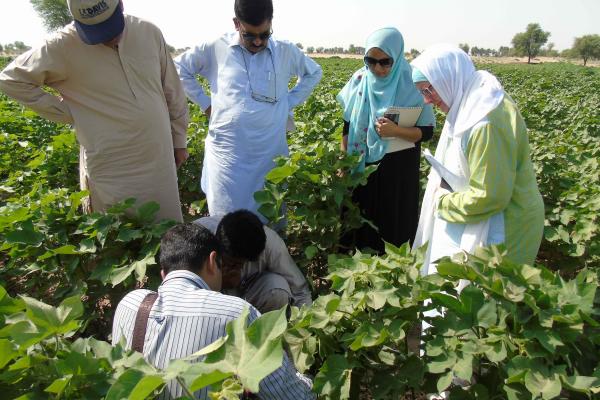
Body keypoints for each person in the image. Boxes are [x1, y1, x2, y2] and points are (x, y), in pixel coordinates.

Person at [0, 0, 189, 222]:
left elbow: (172, 90)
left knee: (165, 228)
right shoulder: (61, 45)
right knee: (117, 233)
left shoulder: (148, 32)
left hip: (158, 156)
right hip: (111, 163)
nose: (108, 37)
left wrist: (179, 139)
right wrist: (70, 112)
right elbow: (10, 80)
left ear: (120, 5)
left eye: (110, 26)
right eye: (96, 31)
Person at [112, 223, 315, 399]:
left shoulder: (129, 303)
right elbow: (289, 395)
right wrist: (308, 383)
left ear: (164, 273)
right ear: (212, 261)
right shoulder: (237, 313)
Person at [174, 0, 322, 221]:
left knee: (268, 218)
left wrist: (287, 103)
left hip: (269, 154)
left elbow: (314, 73)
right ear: (236, 24)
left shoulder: (285, 51)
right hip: (228, 157)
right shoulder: (216, 47)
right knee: (226, 222)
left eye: (264, 34)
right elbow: (179, 68)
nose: (258, 41)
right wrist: (206, 104)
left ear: (271, 23)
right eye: (250, 35)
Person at [410, 45, 544, 272]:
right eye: (422, 92)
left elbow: (489, 196)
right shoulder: (471, 100)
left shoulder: (484, 121)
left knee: (490, 299)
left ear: (447, 78)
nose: (427, 100)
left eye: (428, 90)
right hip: (490, 211)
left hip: (507, 224)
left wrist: (442, 202)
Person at [337, 27, 436, 254]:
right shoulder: (359, 80)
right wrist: (344, 161)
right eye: (371, 61)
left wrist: (397, 130)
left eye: (385, 62)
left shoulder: (411, 82)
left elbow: (427, 131)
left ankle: (393, 277)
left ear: (398, 56)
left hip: (398, 171)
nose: (377, 68)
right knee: (360, 223)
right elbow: (347, 126)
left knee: (394, 228)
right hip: (362, 166)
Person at [195, 209, 312, 314]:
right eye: (232, 263)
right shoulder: (197, 236)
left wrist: (306, 331)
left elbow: (300, 291)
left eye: (243, 264)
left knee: (277, 287)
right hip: (208, 303)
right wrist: (216, 284)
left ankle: (266, 332)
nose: (238, 269)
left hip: (250, 296)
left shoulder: (272, 244)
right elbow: (182, 287)